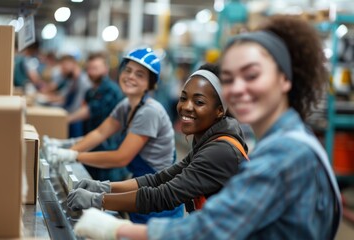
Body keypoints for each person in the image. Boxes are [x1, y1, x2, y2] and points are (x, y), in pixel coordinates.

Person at [73, 15, 342, 240]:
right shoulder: (274, 140)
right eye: (229, 79)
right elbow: (164, 177)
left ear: (284, 80)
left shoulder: (283, 154)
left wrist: (114, 226)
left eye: (252, 75)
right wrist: (105, 188)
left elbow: (208, 228)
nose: (238, 88)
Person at [66, 63, 248, 216]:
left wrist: (97, 199)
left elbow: (163, 194)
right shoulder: (208, 142)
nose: (186, 107)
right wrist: (104, 187)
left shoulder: (220, 151)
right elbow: (160, 179)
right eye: (183, 98)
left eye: (199, 102)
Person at [48, 47, 184, 223]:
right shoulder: (126, 105)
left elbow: (121, 158)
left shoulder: (149, 112)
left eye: (140, 75)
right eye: (128, 70)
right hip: (142, 188)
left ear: (150, 84)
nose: (130, 76)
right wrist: (66, 152)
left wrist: (75, 155)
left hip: (160, 200)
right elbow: (100, 132)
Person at [48, 52, 127, 181]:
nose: (91, 72)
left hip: (107, 147)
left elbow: (89, 111)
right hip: (91, 144)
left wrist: (65, 120)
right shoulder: (90, 91)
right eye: (89, 68)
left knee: (105, 186)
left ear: (105, 69)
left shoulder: (110, 90)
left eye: (96, 68)